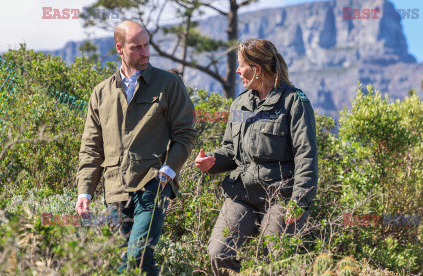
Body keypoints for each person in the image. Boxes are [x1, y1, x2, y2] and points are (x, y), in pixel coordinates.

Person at [75, 20, 196, 275]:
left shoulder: (169, 84)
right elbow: (91, 148)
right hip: (115, 189)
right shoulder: (100, 93)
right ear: (120, 49)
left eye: (146, 45)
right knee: (133, 262)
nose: (145, 52)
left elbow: (185, 134)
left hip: (153, 183)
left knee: (136, 255)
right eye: (136, 47)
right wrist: (84, 192)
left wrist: (168, 171)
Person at [195, 38, 318, 276]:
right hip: (242, 195)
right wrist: (212, 160)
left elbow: (306, 156)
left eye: (242, 65)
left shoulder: (294, 102)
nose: (238, 70)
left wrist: (299, 201)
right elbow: (230, 151)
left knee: (279, 259)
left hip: (280, 197)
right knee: (219, 252)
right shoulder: (240, 104)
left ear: (257, 69)